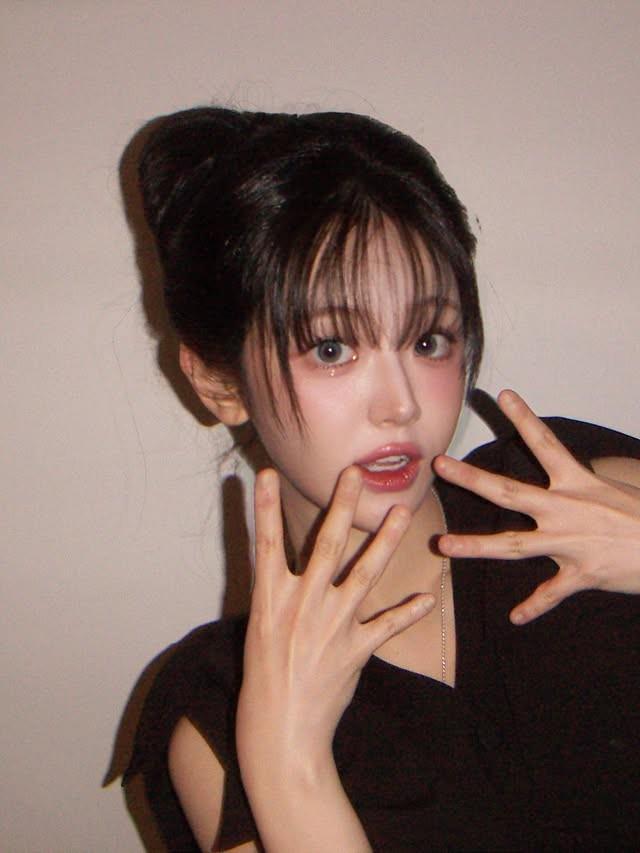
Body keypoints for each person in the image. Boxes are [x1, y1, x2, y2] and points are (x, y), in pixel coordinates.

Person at [123, 107, 640, 852]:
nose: (399, 404)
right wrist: (288, 763)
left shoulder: (575, 497)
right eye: (332, 348)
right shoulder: (221, 709)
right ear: (219, 384)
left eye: (428, 339)